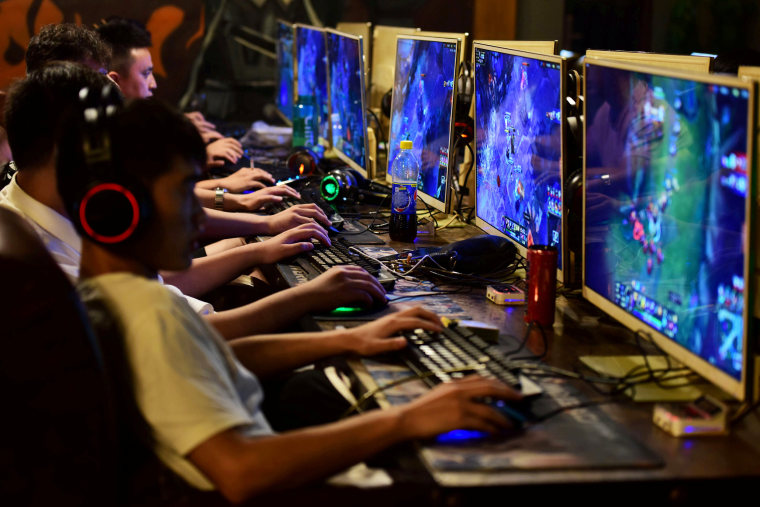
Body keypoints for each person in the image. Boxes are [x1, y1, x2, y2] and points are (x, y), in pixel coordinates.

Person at [58, 96, 521, 503]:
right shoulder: (149, 313)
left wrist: (349, 341)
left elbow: (210, 354)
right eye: (184, 194)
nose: (200, 218)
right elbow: (242, 470)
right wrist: (407, 419)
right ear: (117, 211)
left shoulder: (109, 293)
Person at [1, 62, 388, 339]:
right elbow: (190, 330)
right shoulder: (31, 258)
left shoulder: (60, 211)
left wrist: (256, 247)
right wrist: (310, 295)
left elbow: (162, 286)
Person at [95, 15, 281, 211]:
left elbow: (171, 190)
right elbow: (175, 198)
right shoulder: (110, 142)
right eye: (145, 73)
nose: (154, 84)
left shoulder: (119, 130)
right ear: (113, 81)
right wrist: (231, 195)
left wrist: (224, 188)